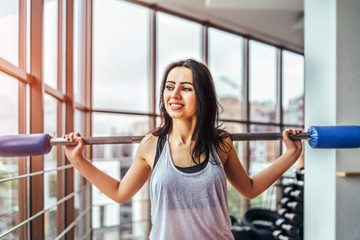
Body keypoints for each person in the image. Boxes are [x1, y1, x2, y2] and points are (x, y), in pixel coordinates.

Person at [63, 59, 303, 240]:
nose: (174, 94)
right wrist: (78, 161)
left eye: (186, 88)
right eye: (169, 86)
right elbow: (119, 193)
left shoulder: (221, 142)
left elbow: (249, 189)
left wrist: (290, 155)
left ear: (203, 95)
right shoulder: (152, 144)